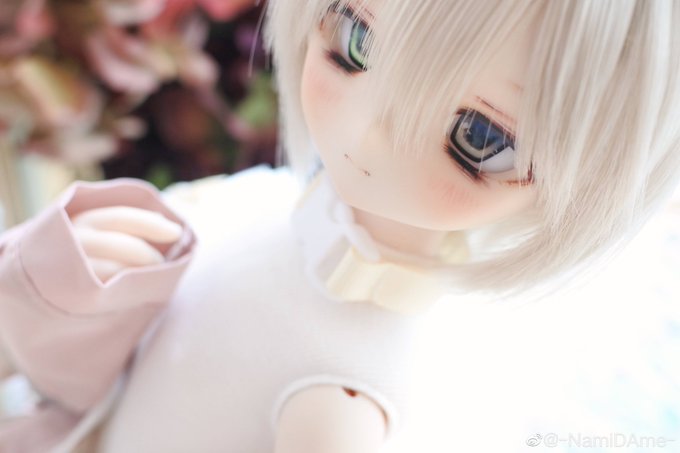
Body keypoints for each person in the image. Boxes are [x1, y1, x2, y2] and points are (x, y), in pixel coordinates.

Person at [1, 0, 679, 451]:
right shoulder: (268, 202)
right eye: (356, 39)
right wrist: (54, 289)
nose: (364, 133)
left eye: (480, 138)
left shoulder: (348, 397)